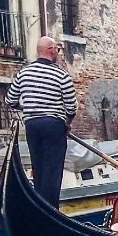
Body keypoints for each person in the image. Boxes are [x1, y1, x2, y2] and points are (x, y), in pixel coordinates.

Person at [6, 36, 76, 208]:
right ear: (51, 50)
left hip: (32, 125)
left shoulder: (24, 73)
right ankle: (50, 208)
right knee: (52, 171)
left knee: (39, 167)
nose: (58, 54)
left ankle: (39, 206)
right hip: (54, 125)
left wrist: (29, 107)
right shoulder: (61, 74)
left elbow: (10, 100)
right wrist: (67, 124)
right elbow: (71, 106)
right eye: (57, 50)